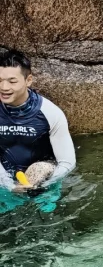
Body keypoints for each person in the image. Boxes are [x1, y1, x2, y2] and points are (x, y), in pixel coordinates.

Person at [0, 48, 76, 197]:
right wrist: (8, 185)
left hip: (41, 180)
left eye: (12, 81)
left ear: (28, 80)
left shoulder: (51, 113)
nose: (4, 87)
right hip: (4, 180)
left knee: (39, 169)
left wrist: (38, 185)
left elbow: (67, 163)